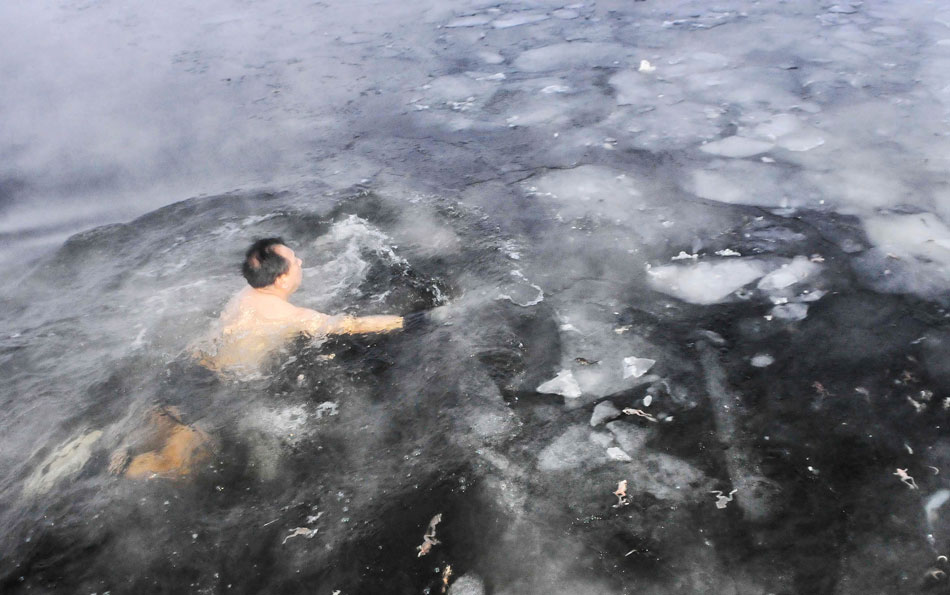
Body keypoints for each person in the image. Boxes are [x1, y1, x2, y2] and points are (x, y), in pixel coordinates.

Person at [197, 237, 405, 376]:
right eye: (295, 260)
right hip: (225, 381)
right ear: (281, 280)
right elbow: (351, 325)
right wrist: (407, 322)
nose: (301, 261)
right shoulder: (291, 315)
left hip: (199, 364)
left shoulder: (243, 295)